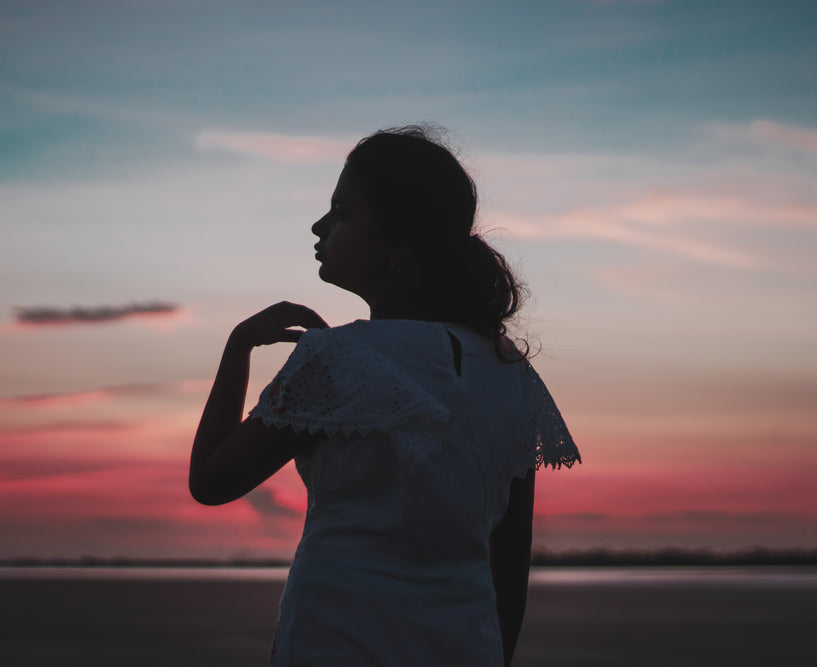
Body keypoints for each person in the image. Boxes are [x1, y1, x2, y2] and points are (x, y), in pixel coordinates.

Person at [189, 125, 580, 666]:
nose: (320, 226)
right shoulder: (509, 373)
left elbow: (210, 481)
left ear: (399, 242)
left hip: (336, 642)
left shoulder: (342, 359)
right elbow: (509, 564)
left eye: (343, 212)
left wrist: (238, 349)